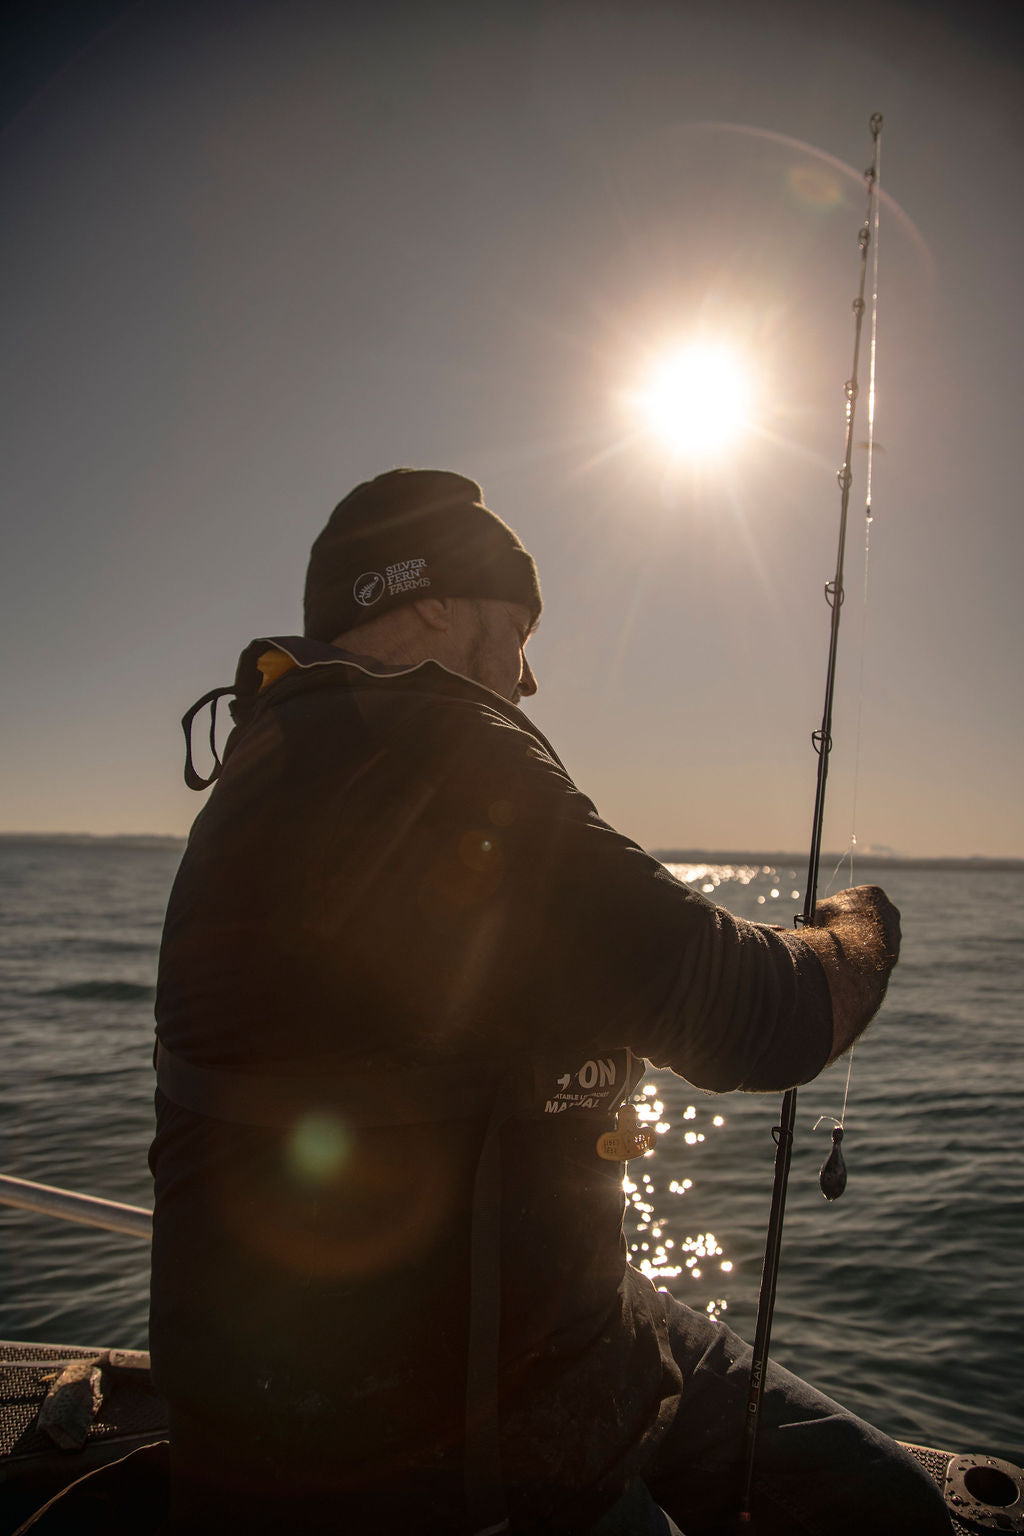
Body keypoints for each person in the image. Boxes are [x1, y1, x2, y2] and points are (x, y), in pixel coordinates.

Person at [150, 468, 952, 1534]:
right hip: (449, 1442)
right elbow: (767, 1016)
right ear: (430, 599)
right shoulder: (428, 753)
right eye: (520, 627)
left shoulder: (287, 750)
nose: (528, 679)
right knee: (887, 1514)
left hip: (389, 1363)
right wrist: (859, 928)